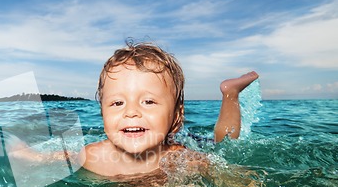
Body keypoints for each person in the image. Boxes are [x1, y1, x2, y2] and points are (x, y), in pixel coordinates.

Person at [80, 41, 258, 177]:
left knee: (224, 144)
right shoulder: (90, 157)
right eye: (118, 103)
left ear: (176, 115)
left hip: (188, 144)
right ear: (102, 112)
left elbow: (234, 177)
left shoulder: (184, 161)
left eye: (148, 101)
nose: (131, 112)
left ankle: (230, 93)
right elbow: (59, 157)